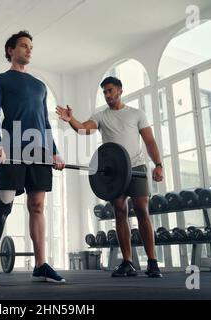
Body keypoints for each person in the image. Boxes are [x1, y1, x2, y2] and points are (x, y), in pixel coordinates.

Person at [0, 30, 66, 284]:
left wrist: (55, 151)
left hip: (39, 149)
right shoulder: (0, 80)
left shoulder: (40, 86)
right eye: (23, 46)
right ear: (10, 50)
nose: (29, 50)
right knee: (6, 201)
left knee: (37, 206)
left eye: (31, 46)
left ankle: (40, 265)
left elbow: (45, 122)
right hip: (12, 144)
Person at [56, 76, 164, 278]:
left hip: (137, 166)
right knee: (120, 212)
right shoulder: (101, 116)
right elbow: (84, 129)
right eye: (104, 92)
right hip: (116, 170)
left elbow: (149, 141)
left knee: (142, 211)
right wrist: (71, 119)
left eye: (110, 90)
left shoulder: (136, 113)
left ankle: (152, 262)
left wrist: (158, 164)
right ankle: (128, 262)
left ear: (120, 90)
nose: (107, 95)